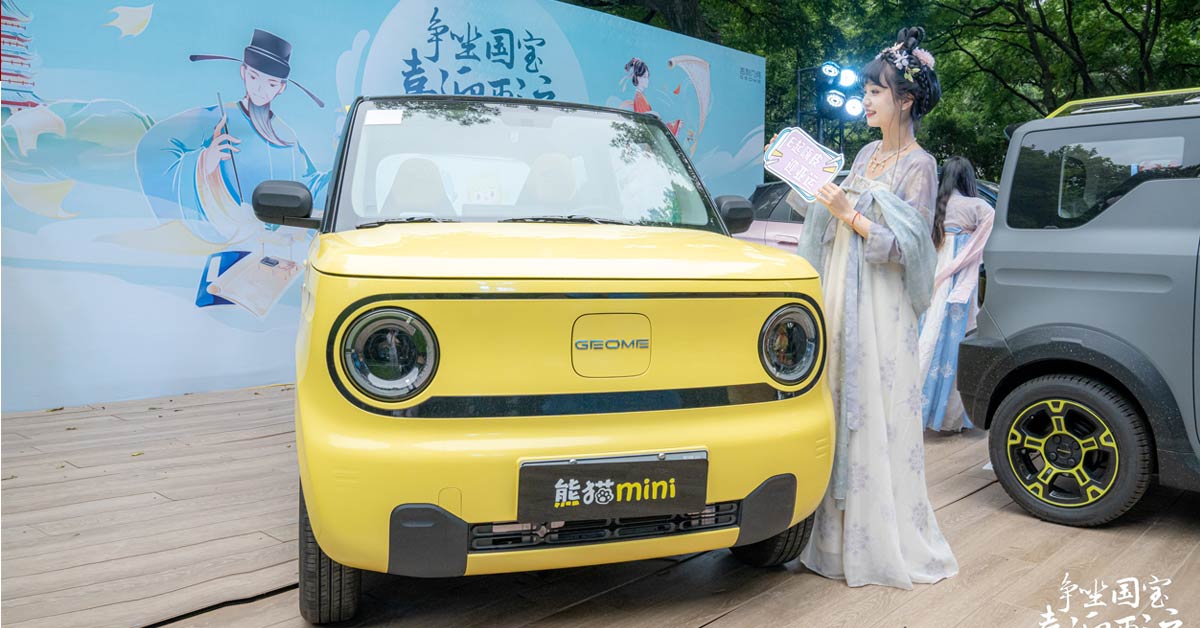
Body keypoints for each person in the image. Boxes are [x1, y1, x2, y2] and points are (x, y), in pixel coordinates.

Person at [778, 26, 958, 589]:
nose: (866, 100)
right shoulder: (864, 154)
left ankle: (878, 541)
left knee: (873, 405)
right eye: (865, 91)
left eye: (876, 91)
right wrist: (820, 196)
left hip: (881, 305)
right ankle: (832, 539)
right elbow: (837, 217)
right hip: (841, 291)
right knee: (837, 397)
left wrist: (847, 212)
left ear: (905, 99)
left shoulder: (920, 165)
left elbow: (911, 249)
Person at [918, 156, 995, 432]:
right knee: (954, 341)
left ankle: (915, 405)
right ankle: (948, 415)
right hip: (959, 279)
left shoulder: (933, 207)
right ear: (968, 179)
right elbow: (988, 239)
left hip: (933, 275)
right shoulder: (978, 207)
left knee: (926, 333)